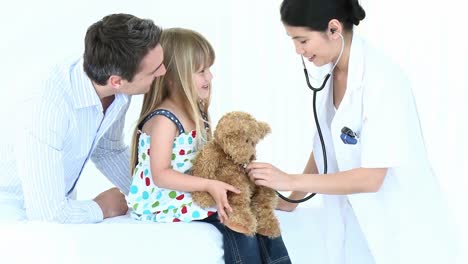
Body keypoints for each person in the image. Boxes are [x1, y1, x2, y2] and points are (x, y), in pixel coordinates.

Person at [247, 0, 458, 263]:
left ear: (333, 29)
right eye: (292, 40)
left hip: (405, 233)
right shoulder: (332, 73)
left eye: (302, 40)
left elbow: (371, 178)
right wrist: (292, 200)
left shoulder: (383, 81)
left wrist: (290, 180)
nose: (297, 50)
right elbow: (325, 144)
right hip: (356, 231)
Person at [126, 28, 291, 264]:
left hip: (192, 190)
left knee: (260, 216)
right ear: (173, 77)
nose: (210, 77)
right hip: (164, 199)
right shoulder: (164, 119)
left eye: (209, 69)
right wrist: (209, 184)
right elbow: (161, 175)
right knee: (236, 219)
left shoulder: (195, 113)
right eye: (201, 71)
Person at [0, 13, 166, 223]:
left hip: (59, 211)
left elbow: (108, 150)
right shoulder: (47, 107)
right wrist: (102, 207)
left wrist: (156, 195)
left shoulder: (120, 90)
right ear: (116, 81)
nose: (164, 72)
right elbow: (46, 215)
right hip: (14, 217)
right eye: (154, 71)